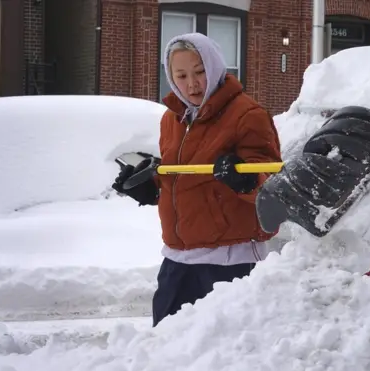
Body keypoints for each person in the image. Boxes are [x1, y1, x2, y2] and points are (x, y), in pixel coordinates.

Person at [111, 32, 282, 327]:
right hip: (178, 258)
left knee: (222, 352)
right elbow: (182, 178)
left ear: (215, 68)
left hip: (230, 260)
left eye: (200, 72)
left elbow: (271, 184)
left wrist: (245, 178)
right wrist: (150, 188)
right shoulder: (172, 119)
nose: (192, 84)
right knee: (164, 348)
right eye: (181, 75)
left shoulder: (247, 115)